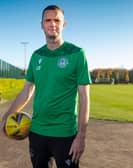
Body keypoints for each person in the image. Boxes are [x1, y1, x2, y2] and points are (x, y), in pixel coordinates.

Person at [1, 5, 91, 168]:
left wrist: (81, 137)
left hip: (65, 134)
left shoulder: (77, 53)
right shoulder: (36, 56)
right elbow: (27, 90)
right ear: (41, 24)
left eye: (57, 20)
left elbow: (85, 97)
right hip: (37, 133)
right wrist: (7, 115)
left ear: (64, 24)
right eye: (48, 20)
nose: (52, 24)